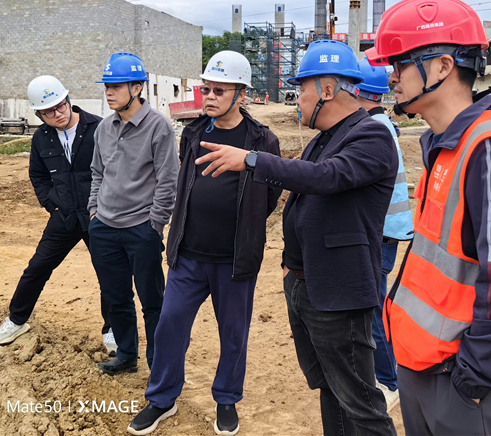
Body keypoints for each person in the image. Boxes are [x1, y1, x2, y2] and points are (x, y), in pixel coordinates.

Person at [192, 39, 399, 436]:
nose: (296, 101)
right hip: (307, 285)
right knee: (330, 387)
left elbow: (327, 178)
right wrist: (290, 267)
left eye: (301, 90)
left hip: (338, 294)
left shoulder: (371, 136)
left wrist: (251, 159)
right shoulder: (323, 137)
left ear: (327, 90)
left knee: (360, 401)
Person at [369, 0, 491, 436]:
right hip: (425, 366)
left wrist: (471, 380)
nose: (391, 76)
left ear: (442, 66)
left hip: (466, 385)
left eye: (400, 63)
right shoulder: (445, 145)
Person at [129, 51, 282, 436]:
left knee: (233, 334)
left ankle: (226, 399)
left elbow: (269, 196)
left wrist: (244, 225)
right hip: (188, 256)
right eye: (206, 89)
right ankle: (162, 399)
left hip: (234, 260)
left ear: (241, 94)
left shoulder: (263, 140)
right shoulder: (194, 132)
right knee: (170, 326)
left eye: (219, 90)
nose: (209, 97)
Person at [0, 76, 113, 352]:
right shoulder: (41, 137)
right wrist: (52, 204)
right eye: (48, 112)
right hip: (64, 216)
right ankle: (16, 320)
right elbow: (38, 175)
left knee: (110, 274)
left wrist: (107, 207)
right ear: (39, 115)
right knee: (37, 268)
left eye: (60, 106)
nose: (57, 114)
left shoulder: (99, 128)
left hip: (99, 216)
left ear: (68, 101)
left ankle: (113, 330)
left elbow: (116, 170)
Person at [88, 53, 179, 376]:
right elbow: (97, 172)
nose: (109, 92)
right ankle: (127, 355)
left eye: (116, 86)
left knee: (153, 300)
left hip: (142, 229)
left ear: (137, 88)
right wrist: (94, 212)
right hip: (104, 228)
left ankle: (158, 363)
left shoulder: (159, 127)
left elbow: (168, 180)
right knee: (116, 297)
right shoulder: (104, 128)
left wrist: (155, 224)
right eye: (106, 87)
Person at [355, 58, 414, 411]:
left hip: (380, 232)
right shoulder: (381, 124)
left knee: (373, 308)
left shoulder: (372, 129)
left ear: (357, 91)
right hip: (387, 230)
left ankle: (390, 381)